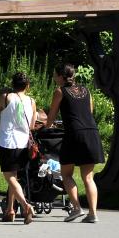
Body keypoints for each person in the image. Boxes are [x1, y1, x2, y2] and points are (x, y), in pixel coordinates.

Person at [43, 63, 104, 223]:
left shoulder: (59, 92)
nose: (53, 77)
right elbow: (88, 112)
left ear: (61, 77)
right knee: (88, 178)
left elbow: (51, 118)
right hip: (91, 133)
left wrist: (47, 126)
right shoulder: (86, 90)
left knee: (66, 174)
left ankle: (77, 208)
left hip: (74, 135)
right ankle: (93, 214)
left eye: (55, 74)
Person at [0, 72, 37, 224]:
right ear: (27, 86)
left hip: (7, 142)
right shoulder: (32, 101)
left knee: (9, 177)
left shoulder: (6, 97)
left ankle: (25, 205)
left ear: (12, 84)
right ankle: (10, 210)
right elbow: (32, 126)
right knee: (15, 177)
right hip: (23, 143)